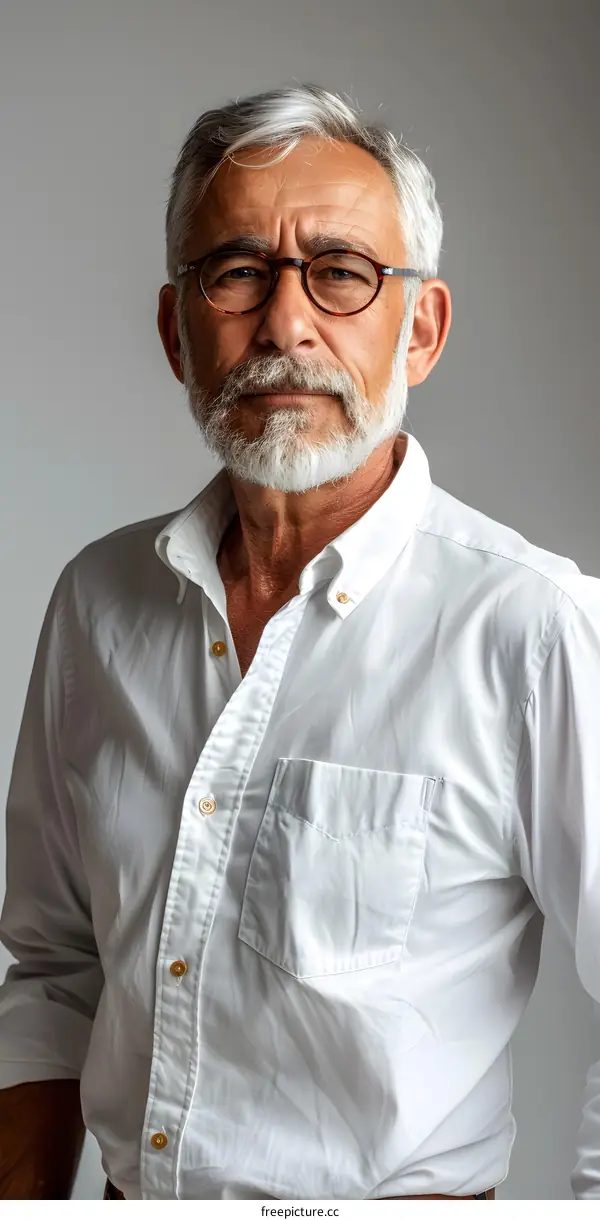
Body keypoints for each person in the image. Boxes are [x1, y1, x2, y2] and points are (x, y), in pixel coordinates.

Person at [0, 82, 598, 1203]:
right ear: (177, 331)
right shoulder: (99, 600)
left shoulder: (531, 625)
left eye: (340, 271)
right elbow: (53, 968)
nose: (284, 324)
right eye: (235, 272)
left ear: (420, 326)